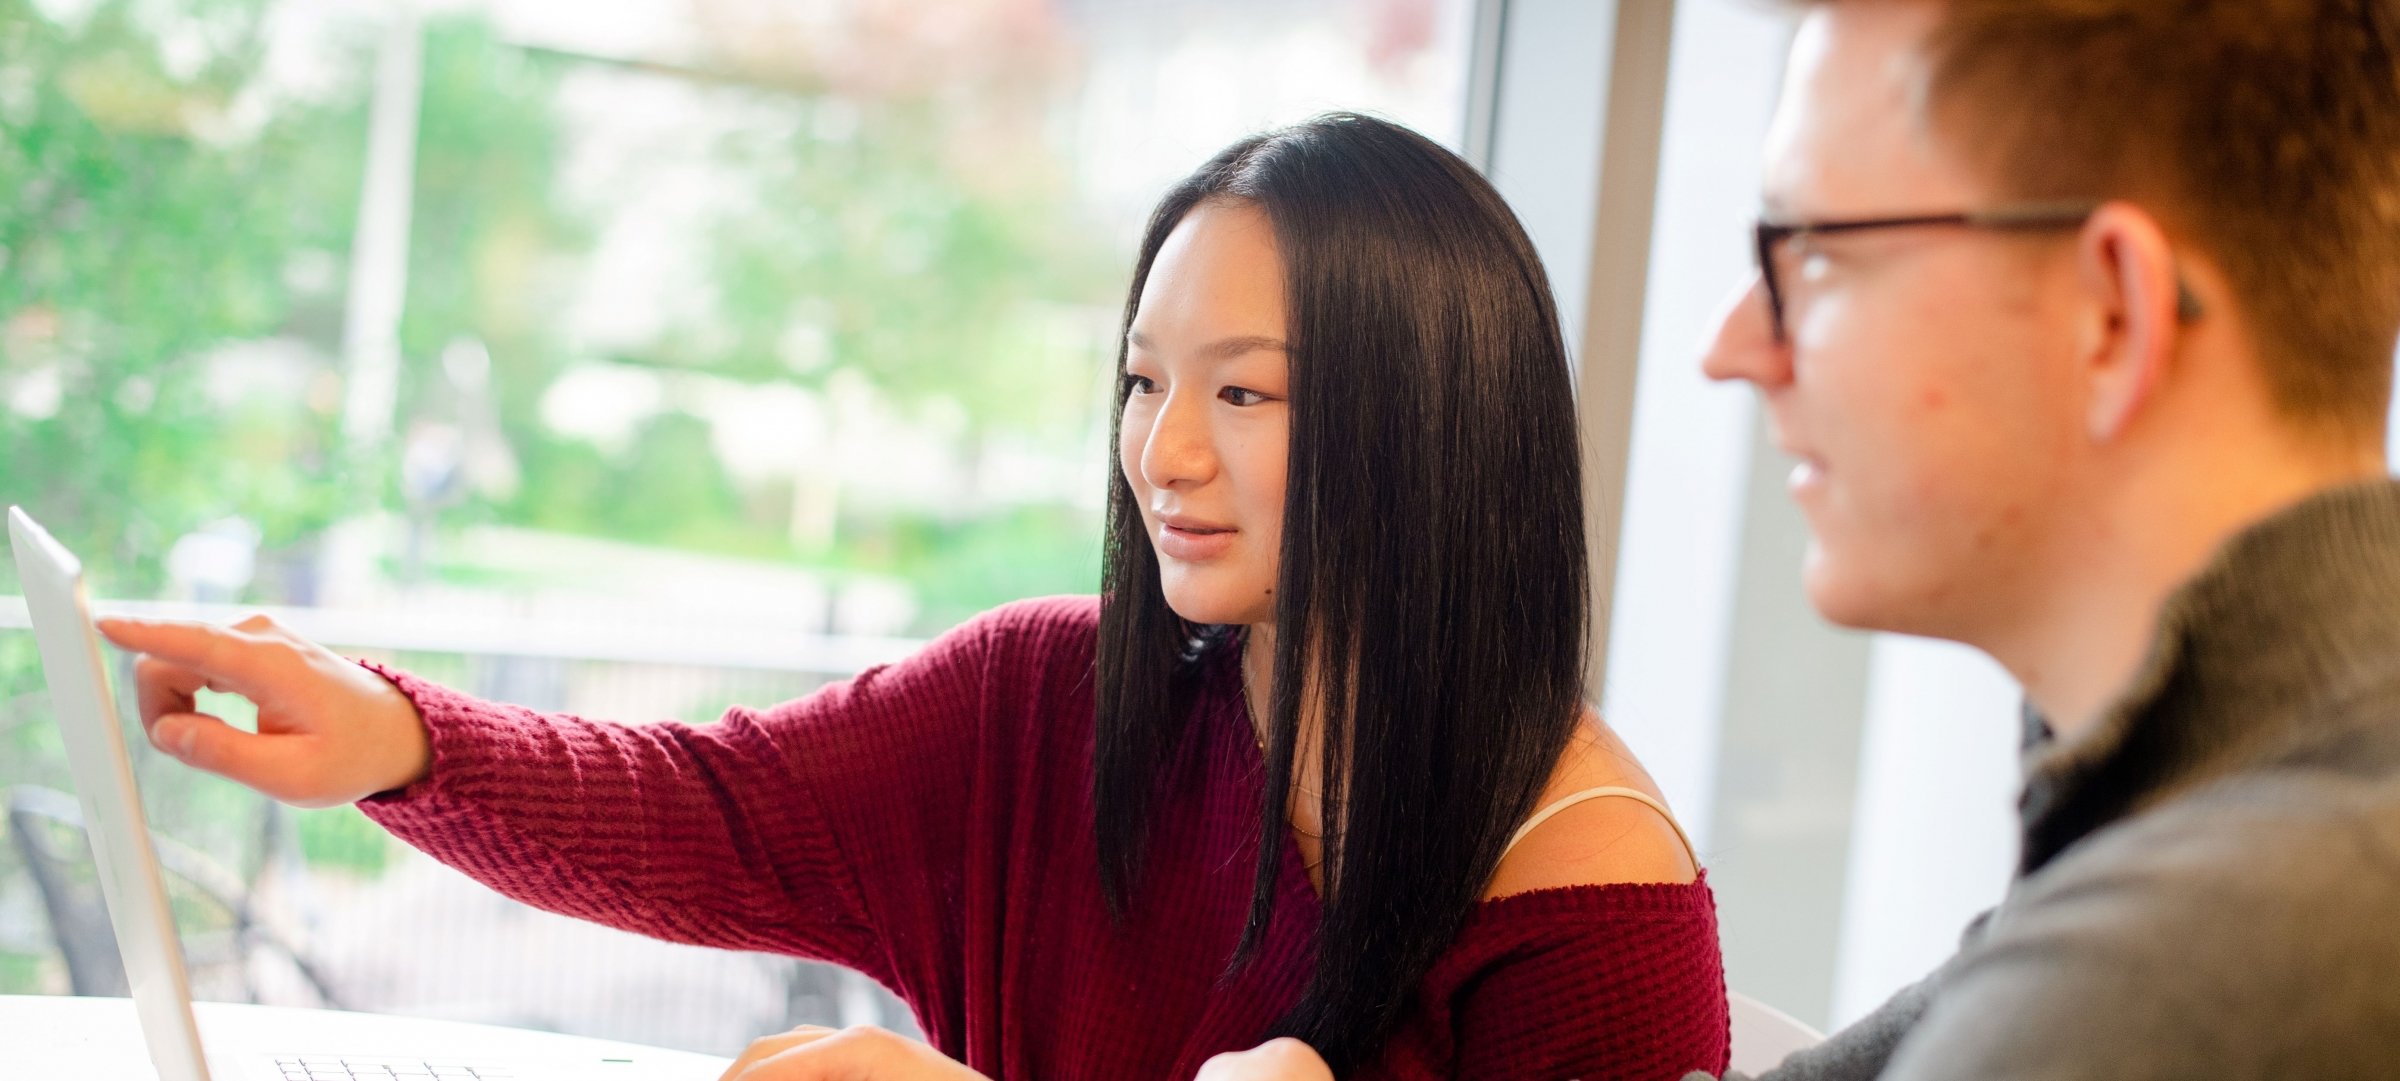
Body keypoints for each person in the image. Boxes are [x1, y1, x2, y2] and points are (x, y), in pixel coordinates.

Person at [100, 114, 1730, 1080]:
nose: (1162, 450)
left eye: (1247, 395)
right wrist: (390, 737)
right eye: (1143, 381)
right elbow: (715, 809)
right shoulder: (1052, 700)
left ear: (1434, 411)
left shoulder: (1586, 909)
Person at [1206, 0, 2400, 1079]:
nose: (1731, 345)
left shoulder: (2169, 990)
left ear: (2109, 317)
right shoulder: (2182, 832)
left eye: (1812, 251)